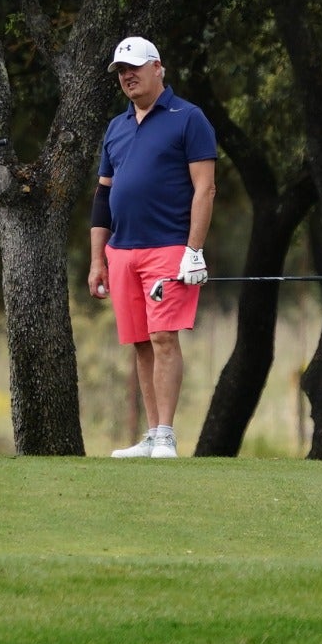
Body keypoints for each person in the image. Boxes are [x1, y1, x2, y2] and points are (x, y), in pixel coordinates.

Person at [87, 36, 216, 459]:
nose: (127, 75)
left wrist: (193, 250)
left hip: (168, 247)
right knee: (141, 341)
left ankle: (165, 434)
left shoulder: (188, 118)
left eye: (134, 67)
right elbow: (103, 197)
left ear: (157, 67)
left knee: (163, 337)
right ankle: (151, 433)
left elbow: (205, 189)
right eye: (121, 70)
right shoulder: (116, 127)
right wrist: (97, 260)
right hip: (122, 252)